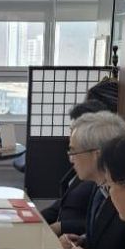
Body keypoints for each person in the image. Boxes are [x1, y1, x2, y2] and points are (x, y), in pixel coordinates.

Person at [58, 111, 125, 249]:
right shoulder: (99, 185)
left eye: (74, 151)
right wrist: (82, 240)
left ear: (97, 155)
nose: (71, 158)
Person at [41, 99, 109, 235]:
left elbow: (100, 223)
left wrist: (62, 227)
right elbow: (63, 203)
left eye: (74, 130)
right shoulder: (83, 162)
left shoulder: (104, 179)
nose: (70, 135)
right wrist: (37, 217)